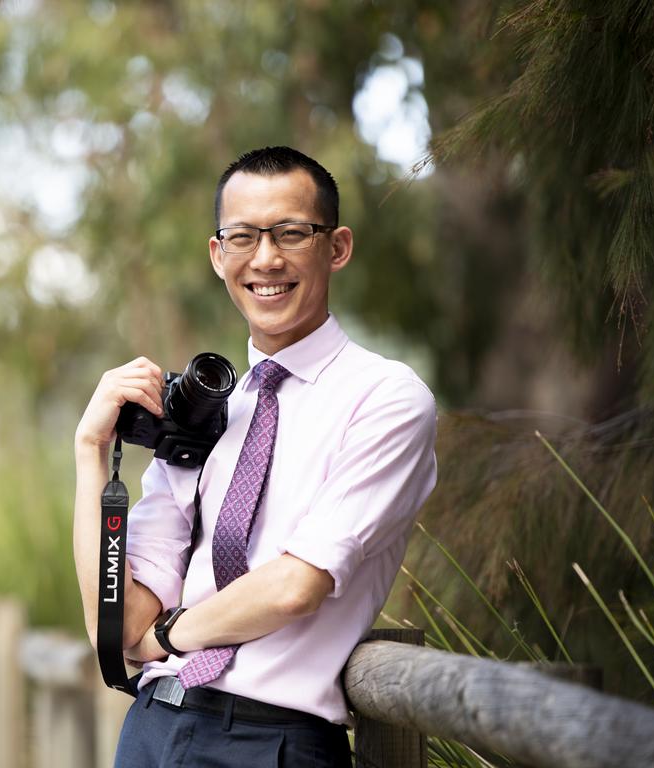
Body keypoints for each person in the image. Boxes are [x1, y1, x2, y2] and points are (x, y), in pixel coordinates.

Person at [73, 146, 437, 767]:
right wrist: (89, 454)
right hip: (151, 731)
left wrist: (171, 634)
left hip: (271, 740)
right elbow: (120, 625)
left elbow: (297, 585)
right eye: (242, 237)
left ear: (337, 246)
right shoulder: (205, 413)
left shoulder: (385, 398)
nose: (266, 259)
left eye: (292, 233)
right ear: (219, 256)